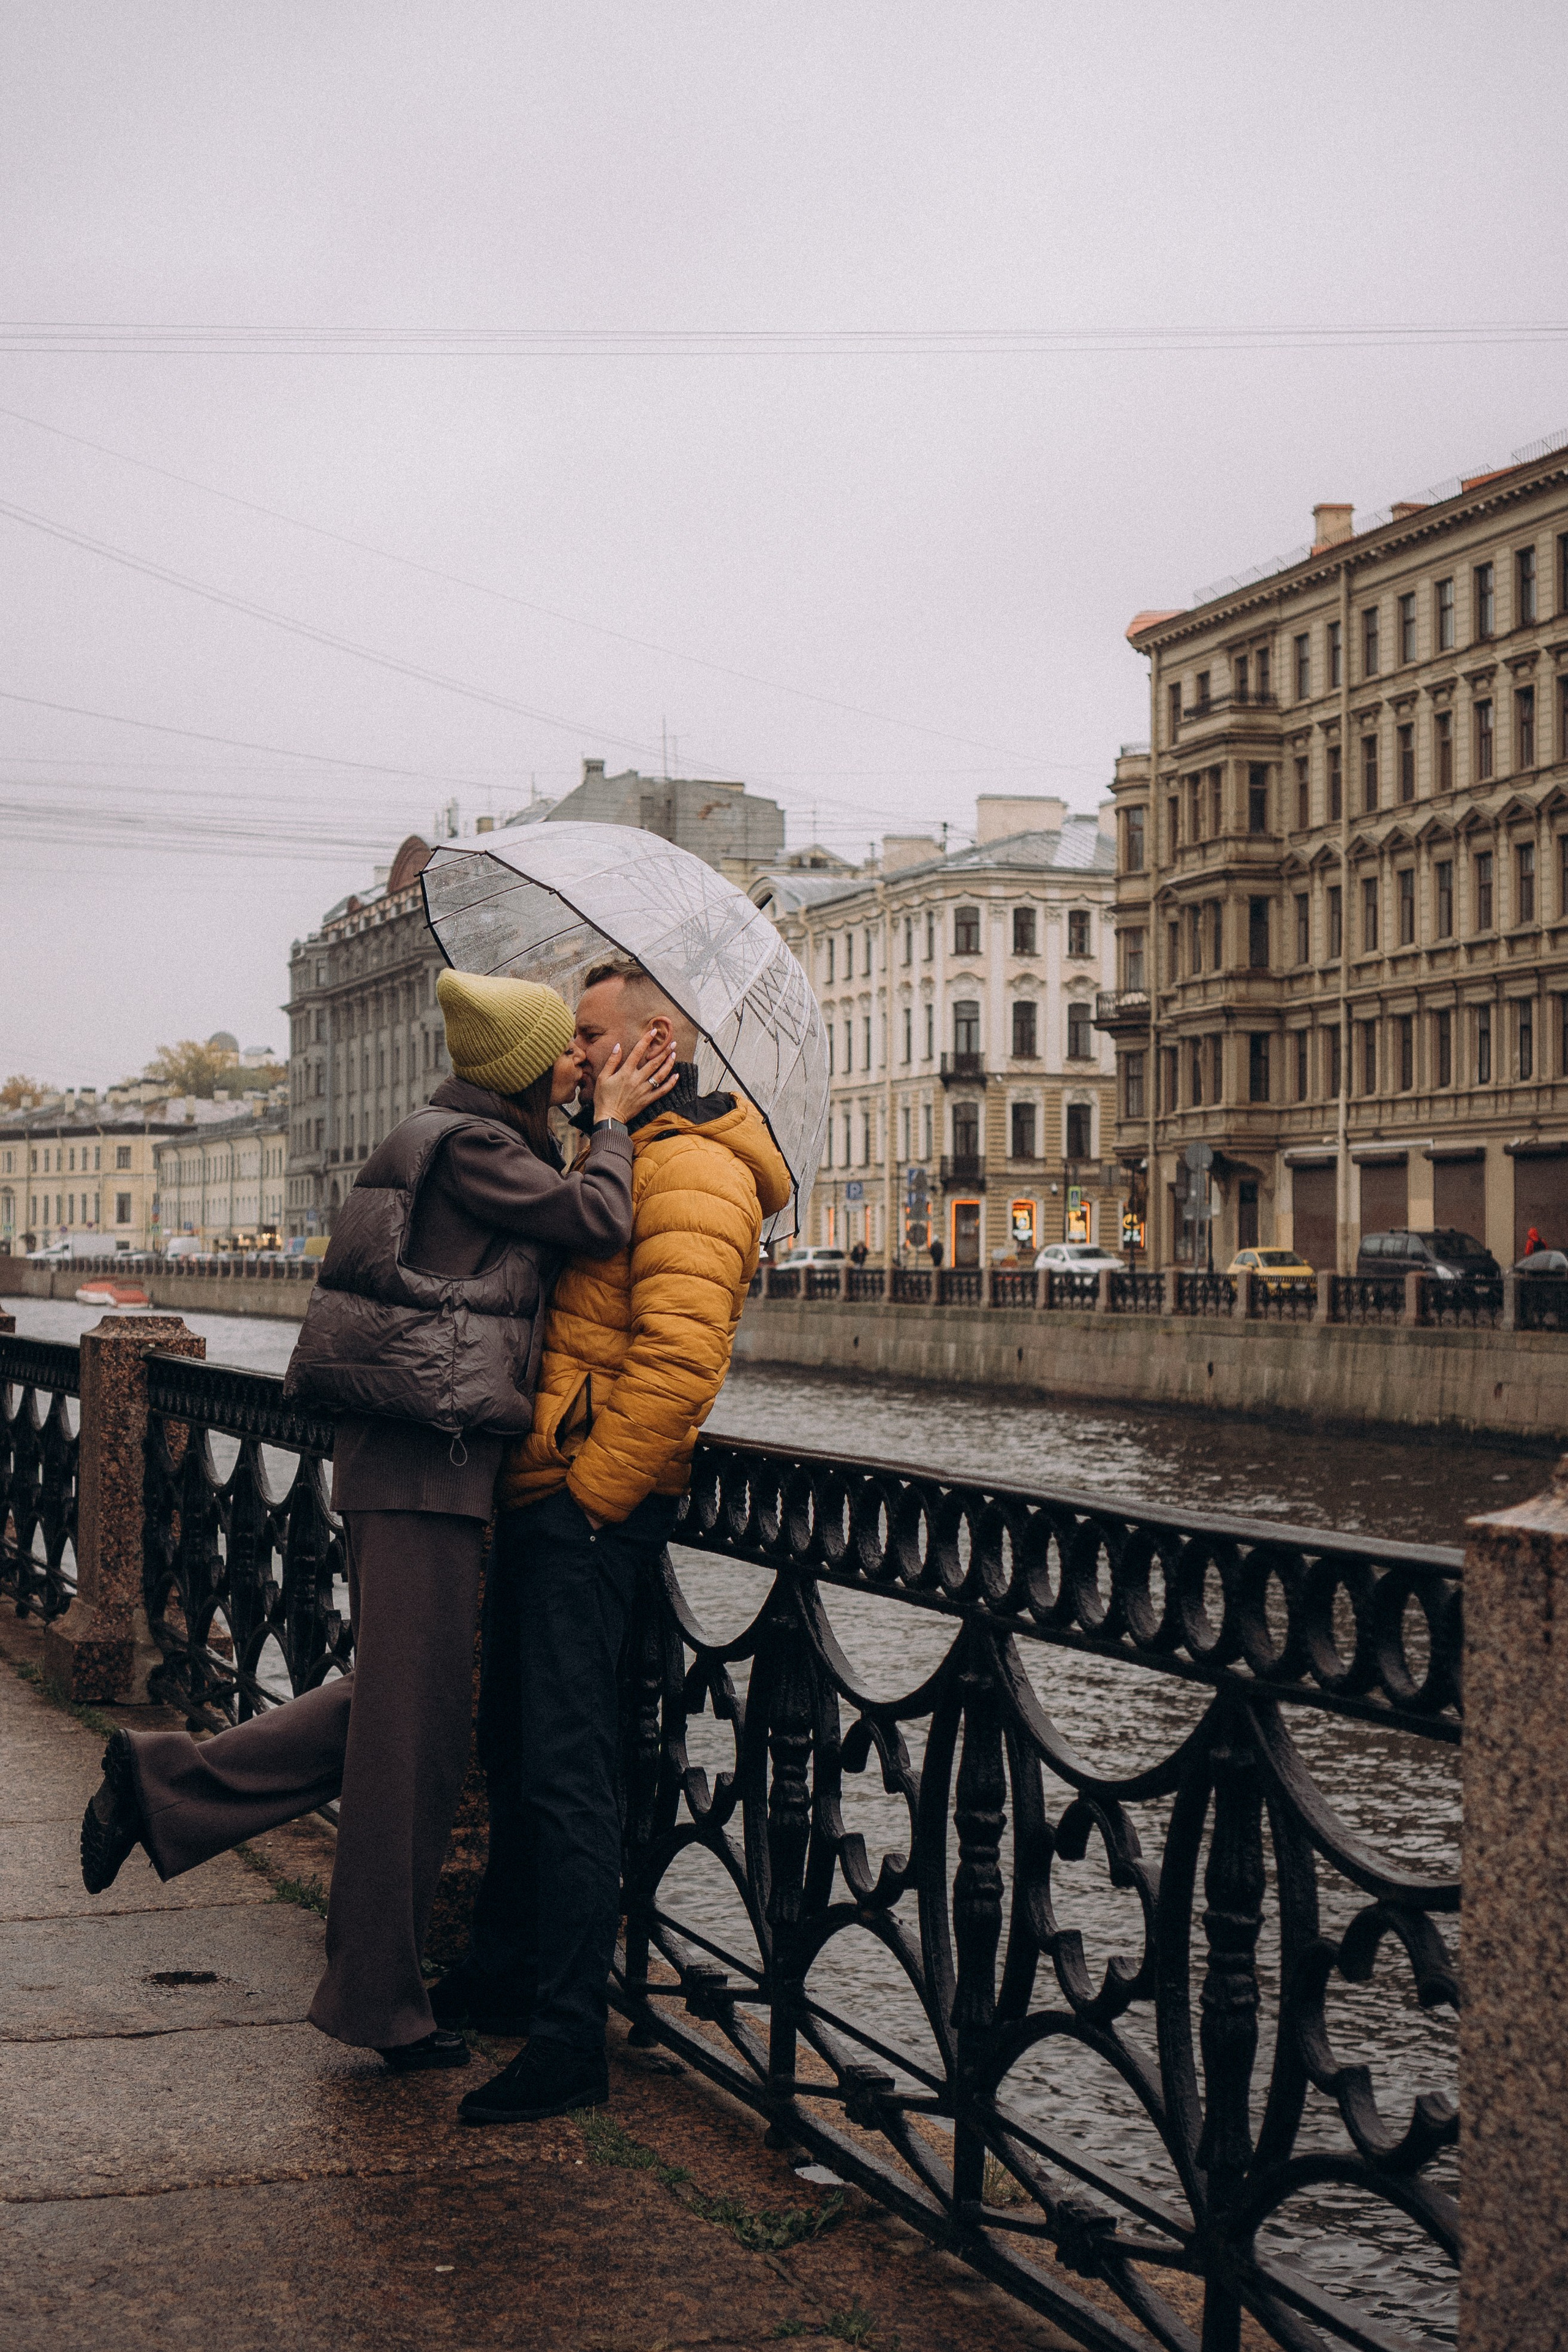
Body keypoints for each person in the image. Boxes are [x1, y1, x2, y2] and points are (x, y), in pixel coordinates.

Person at [78, 971, 675, 2073]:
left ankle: (160, 1788)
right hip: (420, 1463)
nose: (579, 1068)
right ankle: (375, 2002)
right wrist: (620, 1131)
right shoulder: (471, 1147)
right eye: (565, 1054)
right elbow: (597, 1220)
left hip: (427, 1462)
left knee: (411, 1711)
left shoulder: (460, 1135)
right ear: (521, 1067)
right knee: (416, 1735)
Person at [438, 955, 791, 2126]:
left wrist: (588, 1499)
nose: (570, 1056)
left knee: (571, 1774)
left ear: (656, 1043)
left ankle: (565, 2040)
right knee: (521, 1749)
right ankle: (501, 1980)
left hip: (589, 1513)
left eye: (588, 1035)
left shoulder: (699, 1172)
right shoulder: (628, 1151)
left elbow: (681, 1365)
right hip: (548, 1492)